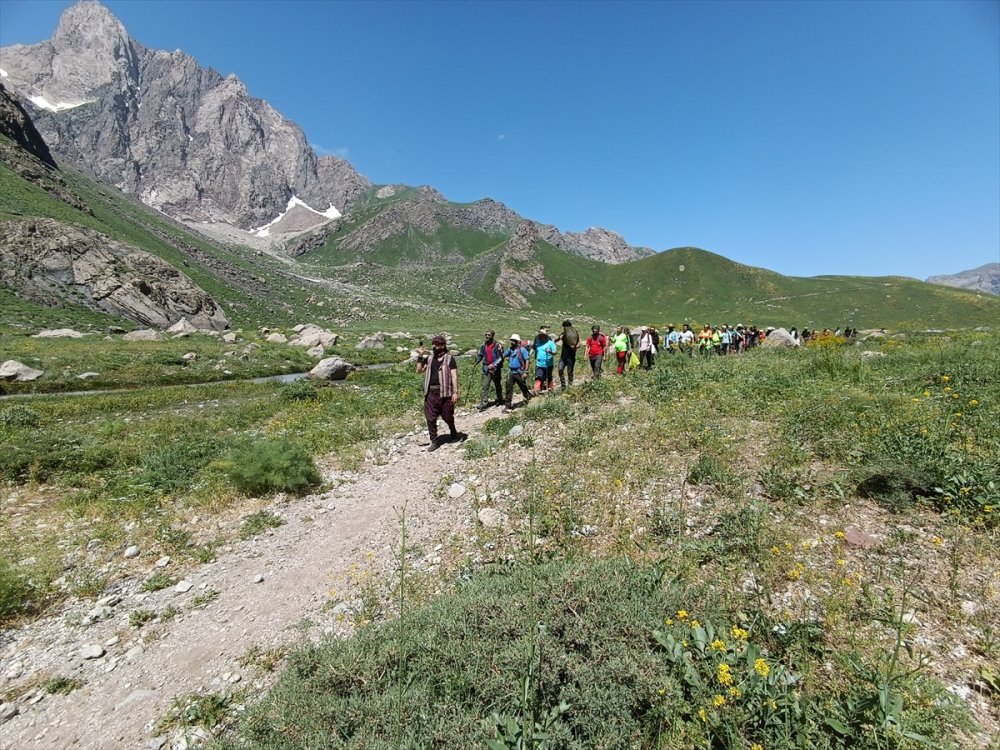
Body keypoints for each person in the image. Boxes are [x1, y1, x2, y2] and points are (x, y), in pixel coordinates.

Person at [415, 335, 462, 452]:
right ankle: (434, 440)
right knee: (430, 417)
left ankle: (452, 429)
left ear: (443, 345)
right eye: (434, 344)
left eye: (437, 344)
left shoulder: (449, 359)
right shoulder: (430, 358)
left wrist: (455, 392)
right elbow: (418, 370)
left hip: (445, 393)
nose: (435, 346)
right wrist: (420, 356)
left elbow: (454, 376)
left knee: (447, 416)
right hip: (431, 393)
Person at [473, 329, 504, 410]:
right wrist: (476, 362)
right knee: (485, 385)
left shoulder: (497, 345)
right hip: (486, 367)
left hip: (495, 368)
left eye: (489, 335)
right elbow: (480, 355)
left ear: (492, 336)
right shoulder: (484, 345)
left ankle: (500, 399)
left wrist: (493, 364)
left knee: (497, 385)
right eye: (486, 335)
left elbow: (501, 357)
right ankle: (484, 402)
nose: (487, 336)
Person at [503, 334, 532, 411]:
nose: (512, 342)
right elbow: (503, 355)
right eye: (511, 340)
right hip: (511, 372)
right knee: (509, 387)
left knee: (522, 386)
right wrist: (500, 350)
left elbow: (527, 360)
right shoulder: (510, 349)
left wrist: (526, 371)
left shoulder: (522, 350)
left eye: (513, 341)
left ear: (517, 342)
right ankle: (508, 405)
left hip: (519, 371)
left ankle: (528, 397)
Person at [555, 319, 580, 389]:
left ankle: (569, 386)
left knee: (566, 371)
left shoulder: (570, 334)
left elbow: (577, 344)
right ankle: (565, 385)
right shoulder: (571, 333)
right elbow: (556, 339)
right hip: (566, 356)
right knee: (565, 371)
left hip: (568, 356)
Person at [533, 327, 557, 393]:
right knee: (539, 376)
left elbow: (555, 352)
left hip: (548, 363)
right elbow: (536, 351)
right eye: (540, 336)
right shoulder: (538, 343)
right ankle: (537, 390)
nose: (541, 337)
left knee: (549, 376)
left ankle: (550, 389)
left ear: (545, 336)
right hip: (539, 364)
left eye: (542, 336)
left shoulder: (550, 343)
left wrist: (550, 351)